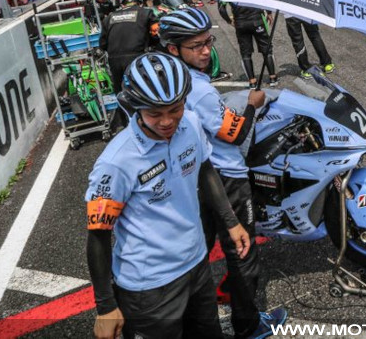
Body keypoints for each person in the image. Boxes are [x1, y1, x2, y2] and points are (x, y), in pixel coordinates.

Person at [85, 54, 258, 339]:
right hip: (148, 289)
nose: (167, 121)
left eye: (174, 109)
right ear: (135, 107)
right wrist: (105, 306)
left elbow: (206, 171)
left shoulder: (189, 123)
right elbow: (98, 235)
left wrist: (232, 222)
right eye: (154, 113)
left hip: (198, 267)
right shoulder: (115, 162)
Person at [156, 8, 286, 338]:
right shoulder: (197, 89)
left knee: (196, 254)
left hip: (193, 176)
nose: (206, 51)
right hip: (225, 177)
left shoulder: (172, 78)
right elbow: (236, 134)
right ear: (174, 49)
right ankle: (248, 325)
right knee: (243, 253)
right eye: (196, 46)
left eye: (208, 41)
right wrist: (253, 103)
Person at [99, 0, 157, 94]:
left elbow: (103, 44)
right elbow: (156, 33)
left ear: (122, 5)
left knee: (121, 93)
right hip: (137, 57)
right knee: (144, 91)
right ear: (140, 3)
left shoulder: (109, 18)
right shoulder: (146, 12)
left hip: (114, 60)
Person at [219, 2, 278, 88]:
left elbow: (221, 8)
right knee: (267, 49)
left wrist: (229, 21)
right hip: (257, 20)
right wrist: (269, 13)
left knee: (245, 53)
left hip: (240, 23)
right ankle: (273, 78)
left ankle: (252, 82)